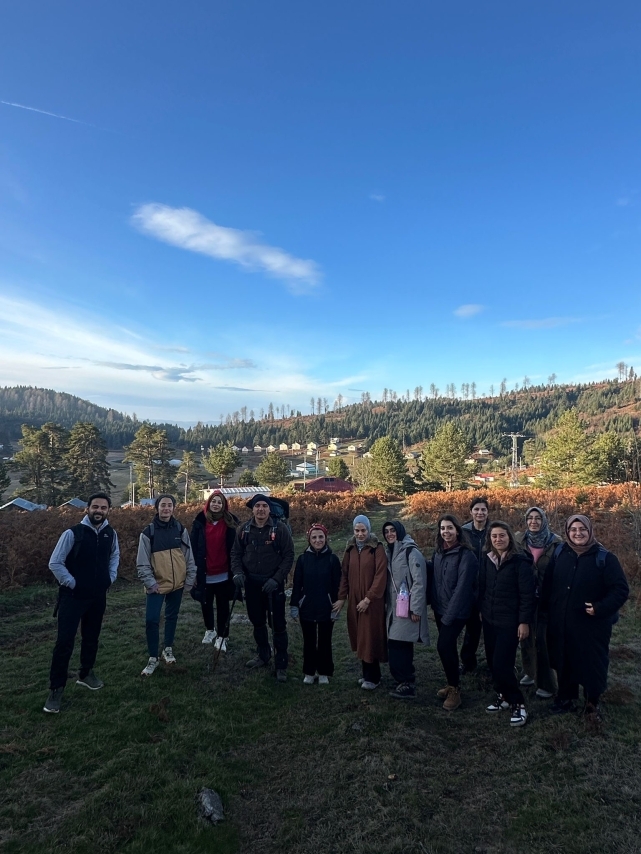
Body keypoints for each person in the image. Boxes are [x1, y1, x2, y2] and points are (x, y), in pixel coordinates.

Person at [543, 514, 629, 719]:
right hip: (561, 622)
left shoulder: (605, 558)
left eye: (582, 529)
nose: (578, 533)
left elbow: (620, 589)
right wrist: (545, 610)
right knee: (564, 660)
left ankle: (592, 702)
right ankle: (565, 698)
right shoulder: (560, 552)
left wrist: (600, 608)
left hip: (592, 625)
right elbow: (548, 584)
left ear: (590, 531)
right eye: (573, 529)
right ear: (567, 532)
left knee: (592, 663)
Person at [43, 493, 120, 714]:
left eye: (103, 507)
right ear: (87, 508)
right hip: (72, 597)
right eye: (95, 506)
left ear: (108, 510)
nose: (99, 510)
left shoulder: (110, 534)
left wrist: (110, 578)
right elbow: (55, 562)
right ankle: (56, 688)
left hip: (98, 596)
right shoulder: (72, 533)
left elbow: (114, 556)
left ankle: (85, 674)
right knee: (64, 642)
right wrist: (72, 583)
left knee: (91, 637)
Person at [230, 493, 294, 682]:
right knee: (257, 621)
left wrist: (277, 579)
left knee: (278, 625)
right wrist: (237, 573)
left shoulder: (280, 529)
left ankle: (281, 664)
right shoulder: (243, 530)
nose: (261, 509)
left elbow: (289, 555)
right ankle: (263, 655)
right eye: (257, 506)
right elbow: (235, 554)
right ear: (253, 509)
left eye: (264, 506)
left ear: (269, 509)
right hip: (252, 584)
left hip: (273, 585)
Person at [479, 521, 535, 727]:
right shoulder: (488, 558)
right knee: (492, 661)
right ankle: (502, 695)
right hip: (490, 619)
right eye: (494, 536)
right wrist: (482, 610)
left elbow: (527, 595)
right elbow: (483, 586)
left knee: (502, 664)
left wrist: (524, 622)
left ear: (509, 537)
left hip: (510, 622)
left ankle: (518, 703)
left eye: (502, 535)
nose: (498, 539)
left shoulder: (520, 562)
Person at [137, 494, 197, 676]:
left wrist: (189, 578)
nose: (166, 508)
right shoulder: (148, 532)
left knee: (172, 617)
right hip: (156, 585)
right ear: (157, 508)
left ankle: (168, 649)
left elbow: (189, 556)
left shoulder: (180, 529)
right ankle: (153, 657)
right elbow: (142, 562)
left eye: (169, 505)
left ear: (173, 508)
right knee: (151, 620)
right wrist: (150, 582)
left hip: (177, 584)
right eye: (163, 505)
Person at [334, 515, 388, 690]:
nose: (360, 534)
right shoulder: (350, 549)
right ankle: (367, 674)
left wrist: (368, 598)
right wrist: (342, 597)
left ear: (368, 529)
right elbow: (344, 574)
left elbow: (380, 576)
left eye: (363, 530)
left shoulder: (376, 548)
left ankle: (373, 678)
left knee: (370, 636)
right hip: (355, 600)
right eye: (357, 531)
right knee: (360, 636)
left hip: (371, 602)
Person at [431, 514, 478, 711]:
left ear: (457, 530)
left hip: (457, 611)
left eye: (450, 528)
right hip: (440, 609)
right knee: (447, 647)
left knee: (443, 646)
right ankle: (451, 684)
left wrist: (449, 616)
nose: (446, 532)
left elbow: (462, 589)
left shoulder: (466, 555)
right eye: (443, 528)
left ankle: (455, 691)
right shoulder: (438, 552)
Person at [514, 507, 562, 698]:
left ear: (544, 521)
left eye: (537, 518)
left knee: (542, 639)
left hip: (546, 598)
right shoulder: (519, 540)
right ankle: (530, 672)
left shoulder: (555, 543)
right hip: (524, 596)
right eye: (530, 518)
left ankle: (547, 684)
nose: (533, 522)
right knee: (525, 636)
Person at [382, 520, 428, 700]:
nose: (389, 534)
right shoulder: (391, 551)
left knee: (399, 645)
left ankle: (406, 682)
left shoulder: (411, 552)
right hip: (395, 608)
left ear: (400, 531)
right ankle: (404, 680)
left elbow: (419, 582)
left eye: (393, 530)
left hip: (407, 609)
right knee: (399, 644)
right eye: (386, 531)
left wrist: (416, 609)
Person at [290, 523, 342, 684]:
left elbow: (337, 585)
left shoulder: (333, 559)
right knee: (309, 641)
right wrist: (294, 605)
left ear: (326, 538)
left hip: (327, 607)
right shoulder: (303, 559)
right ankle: (309, 672)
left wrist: (337, 607)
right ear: (309, 539)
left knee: (325, 640)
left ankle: (324, 672)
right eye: (314, 537)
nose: (317, 540)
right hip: (307, 607)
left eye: (321, 537)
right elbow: (297, 584)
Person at [190, 490, 240, 651]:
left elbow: (236, 548)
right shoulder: (199, 522)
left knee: (223, 606)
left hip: (224, 572)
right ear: (208, 503)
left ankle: (222, 637)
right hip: (205, 572)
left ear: (224, 505)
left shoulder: (230, 523)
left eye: (219, 502)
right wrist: (193, 571)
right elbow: (192, 547)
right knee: (205, 603)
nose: (216, 504)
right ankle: (210, 630)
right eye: (213, 501)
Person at [459, 496, 489, 673]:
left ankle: (494, 661)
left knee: (492, 627)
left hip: (490, 585)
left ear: (487, 512)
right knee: (472, 627)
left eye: (483, 509)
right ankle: (468, 662)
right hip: (469, 586)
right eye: (476, 509)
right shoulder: (463, 532)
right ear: (471, 512)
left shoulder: (493, 530)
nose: (480, 512)